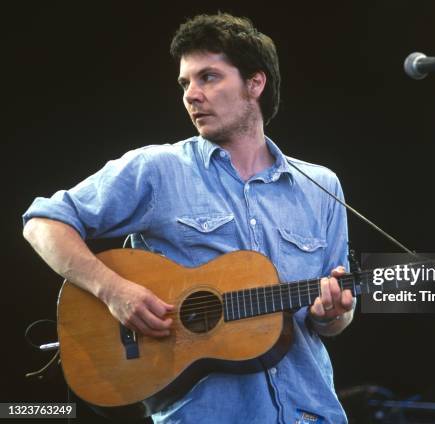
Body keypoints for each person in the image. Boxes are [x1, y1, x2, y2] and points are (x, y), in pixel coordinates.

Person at [22, 12, 354, 423]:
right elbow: (42, 223)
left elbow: (334, 314)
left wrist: (334, 313)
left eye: (209, 77)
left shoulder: (321, 186)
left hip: (310, 412)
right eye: (185, 83)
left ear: (255, 83)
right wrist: (114, 291)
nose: (191, 95)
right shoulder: (158, 169)